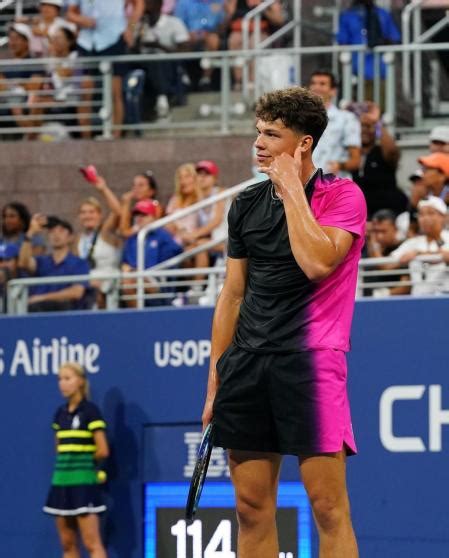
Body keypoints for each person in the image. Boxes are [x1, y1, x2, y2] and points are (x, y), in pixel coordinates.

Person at [202, 86, 366, 557]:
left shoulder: (343, 196)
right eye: (258, 131)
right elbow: (233, 295)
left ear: (304, 144)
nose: (258, 143)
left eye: (271, 134)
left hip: (310, 365)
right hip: (247, 367)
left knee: (328, 508)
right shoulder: (246, 205)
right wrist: (216, 379)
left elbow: (317, 263)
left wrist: (292, 188)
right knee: (251, 508)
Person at [43, 361, 109, 558]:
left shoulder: (90, 411)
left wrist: (85, 464)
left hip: (83, 483)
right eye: (60, 379)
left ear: (80, 381)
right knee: (67, 544)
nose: (62, 384)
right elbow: (59, 449)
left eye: (67, 378)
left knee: (92, 543)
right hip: (61, 483)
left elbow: (102, 450)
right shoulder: (59, 414)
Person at [66, 0, 145, 137]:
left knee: (115, 91)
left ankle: (115, 135)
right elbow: (70, 13)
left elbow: (139, 4)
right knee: (86, 89)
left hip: (113, 38)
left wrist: (130, 27)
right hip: (87, 41)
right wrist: (81, 20)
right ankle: (86, 139)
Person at [18, 214, 91, 312]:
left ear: (70, 237)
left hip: (64, 313)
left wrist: (42, 297)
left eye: (61, 231)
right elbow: (23, 263)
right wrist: (30, 233)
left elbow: (76, 292)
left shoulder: (79, 263)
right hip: (37, 312)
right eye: (52, 232)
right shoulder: (41, 261)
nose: (56, 235)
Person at [132, 0, 190, 119]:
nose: (146, 8)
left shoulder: (173, 22)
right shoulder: (140, 24)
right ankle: (158, 97)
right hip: (144, 66)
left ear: (159, 5)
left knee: (157, 60)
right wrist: (138, 38)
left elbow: (185, 49)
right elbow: (132, 49)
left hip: (169, 65)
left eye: (149, 4)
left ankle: (162, 96)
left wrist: (159, 46)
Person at [350, 101, 407, 218]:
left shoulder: (382, 150)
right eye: (361, 126)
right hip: (359, 215)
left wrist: (377, 122)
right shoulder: (349, 155)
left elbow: (392, 152)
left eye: (368, 126)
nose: (364, 130)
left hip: (387, 213)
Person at [121, 198, 182, 306]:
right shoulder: (132, 239)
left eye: (144, 215)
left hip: (158, 280)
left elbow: (174, 256)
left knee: (130, 282)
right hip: (135, 278)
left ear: (153, 217)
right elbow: (126, 263)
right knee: (126, 281)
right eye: (137, 215)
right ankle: (137, 317)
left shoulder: (162, 235)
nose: (139, 218)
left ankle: (138, 318)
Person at [337, 0, 401, 103]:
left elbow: (394, 38)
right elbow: (342, 41)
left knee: (380, 107)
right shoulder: (348, 16)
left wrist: (382, 40)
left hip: (380, 71)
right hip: (356, 72)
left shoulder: (382, 14)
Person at [390, 196, 449, 295]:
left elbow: (446, 256)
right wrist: (372, 241)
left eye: (431, 213)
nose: (425, 218)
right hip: (417, 300)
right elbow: (387, 264)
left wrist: (418, 254)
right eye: (421, 214)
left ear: (443, 216)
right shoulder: (413, 242)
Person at [308, 70, 361, 178]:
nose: (316, 88)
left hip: (336, 185)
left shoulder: (347, 119)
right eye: (313, 83)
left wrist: (340, 165)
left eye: (322, 84)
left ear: (333, 91)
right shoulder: (300, 119)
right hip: (306, 185)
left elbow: (356, 160)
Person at [225, 0, 285, 91]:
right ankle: (239, 81)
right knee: (235, 39)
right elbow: (229, 17)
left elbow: (279, 20)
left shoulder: (269, 2)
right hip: (241, 31)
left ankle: (253, 81)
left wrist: (261, 6)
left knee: (254, 41)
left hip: (262, 32)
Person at [175, 0, 227, 90]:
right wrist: (189, 33)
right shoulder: (183, 3)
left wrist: (222, 14)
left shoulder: (218, 2)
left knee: (213, 40)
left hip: (210, 34)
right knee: (183, 39)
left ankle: (205, 79)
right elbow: (178, 24)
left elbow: (221, 27)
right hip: (188, 34)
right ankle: (183, 75)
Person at [363, 209, 409, 297]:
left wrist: (384, 294)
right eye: (376, 231)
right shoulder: (368, 248)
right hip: (365, 301)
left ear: (395, 229)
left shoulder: (403, 248)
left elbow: (406, 285)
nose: (379, 236)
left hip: (392, 302)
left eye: (383, 231)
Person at [120, 170, 164, 238]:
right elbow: (124, 230)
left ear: (151, 191)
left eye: (141, 185)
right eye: (134, 185)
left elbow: (126, 232)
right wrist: (126, 203)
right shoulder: (135, 208)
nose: (136, 188)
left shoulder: (156, 205)